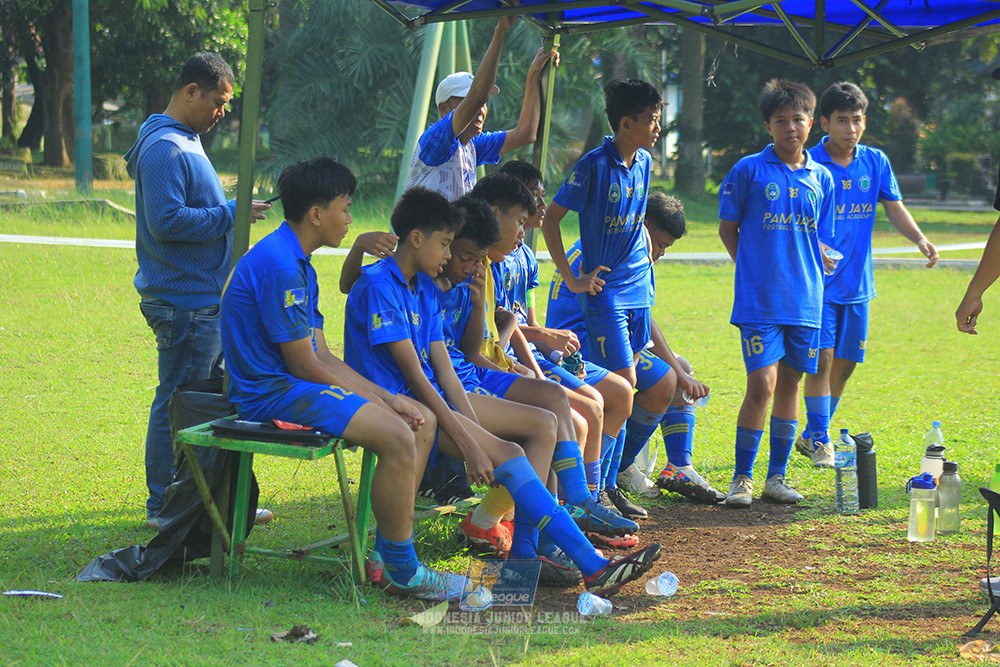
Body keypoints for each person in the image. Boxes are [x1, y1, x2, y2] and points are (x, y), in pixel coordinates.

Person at [344, 187, 661, 597]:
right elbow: (418, 378)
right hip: (398, 408)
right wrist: (472, 443)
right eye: (446, 245)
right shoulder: (382, 285)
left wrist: (479, 436)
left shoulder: (419, 288)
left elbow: (444, 368)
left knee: (525, 437)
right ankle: (583, 561)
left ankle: (563, 559)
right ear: (417, 238)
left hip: (428, 402)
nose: (447, 256)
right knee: (517, 441)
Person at [432, 196, 635, 584]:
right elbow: (437, 367)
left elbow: (468, 350)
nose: (469, 265)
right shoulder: (423, 284)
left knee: (553, 401)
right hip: (450, 387)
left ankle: (574, 505)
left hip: (469, 375)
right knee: (542, 426)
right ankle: (536, 549)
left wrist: (478, 304)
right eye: (456, 253)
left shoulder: (466, 276)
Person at [124, 52, 271, 529]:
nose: (222, 112)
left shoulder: (184, 140)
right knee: (179, 403)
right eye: (218, 101)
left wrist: (230, 207)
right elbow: (166, 222)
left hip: (200, 299)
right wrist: (230, 212)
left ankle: (204, 501)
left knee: (195, 401)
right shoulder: (165, 147)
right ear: (190, 92)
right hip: (183, 302)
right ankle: (164, 507)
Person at [545, 193, 722, 504]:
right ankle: (618, 471)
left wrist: (680, 370)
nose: (662, 253)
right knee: (662, 379)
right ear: (644, 225)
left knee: (680, 366)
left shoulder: (618, 244)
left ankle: (679, 466)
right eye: (661, 244)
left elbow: (641, 316)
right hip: (579, 346)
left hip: (590, 337)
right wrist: (676, 374)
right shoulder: (620, 253)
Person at [496, 160, 648, 522]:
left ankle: (597, 493)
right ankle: (577, 505)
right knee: (591, 407)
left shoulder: (526, 257)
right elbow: (501, 328)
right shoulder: (493, 259)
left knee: (622, 391)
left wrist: (552, 348)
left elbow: (527, 323)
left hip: (534, 355)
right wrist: (541, 347)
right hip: (508, 362)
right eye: (534, 198)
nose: (542, 206)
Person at [796, 82, 938, 466]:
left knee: (846, 360)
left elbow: (894, 207)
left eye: (857, 120)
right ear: (823, 122)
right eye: (842, 121)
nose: (851, 129)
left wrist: (920, 239)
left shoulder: (875, 161)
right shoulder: (807, 163)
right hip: (819, 283)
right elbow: (796, 220)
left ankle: (811, 431)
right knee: (822, 359)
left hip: (859, 283)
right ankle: (821, 437)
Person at [717, 79, 836, 508]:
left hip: (806, 300)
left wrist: (818, 257)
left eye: (798, 119)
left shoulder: (821, 177)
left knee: (790, 384)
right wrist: (751, 270)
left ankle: (777, 478)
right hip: (759, 301)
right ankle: (741, 479)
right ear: (768, 125)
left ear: (809, 123)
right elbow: (727, 229)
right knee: (762, 385)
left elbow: (817, 234)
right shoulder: (747, 170)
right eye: (781, 120)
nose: (790, 127)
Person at [405, 14, 557, 200]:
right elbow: (478, 95)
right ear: (444, 109)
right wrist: (501, 31)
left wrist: (534, 74)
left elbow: (526, 134)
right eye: (466, 102)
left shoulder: (472, 145)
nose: (480, 109)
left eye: (484, 104)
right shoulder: (434, 141)